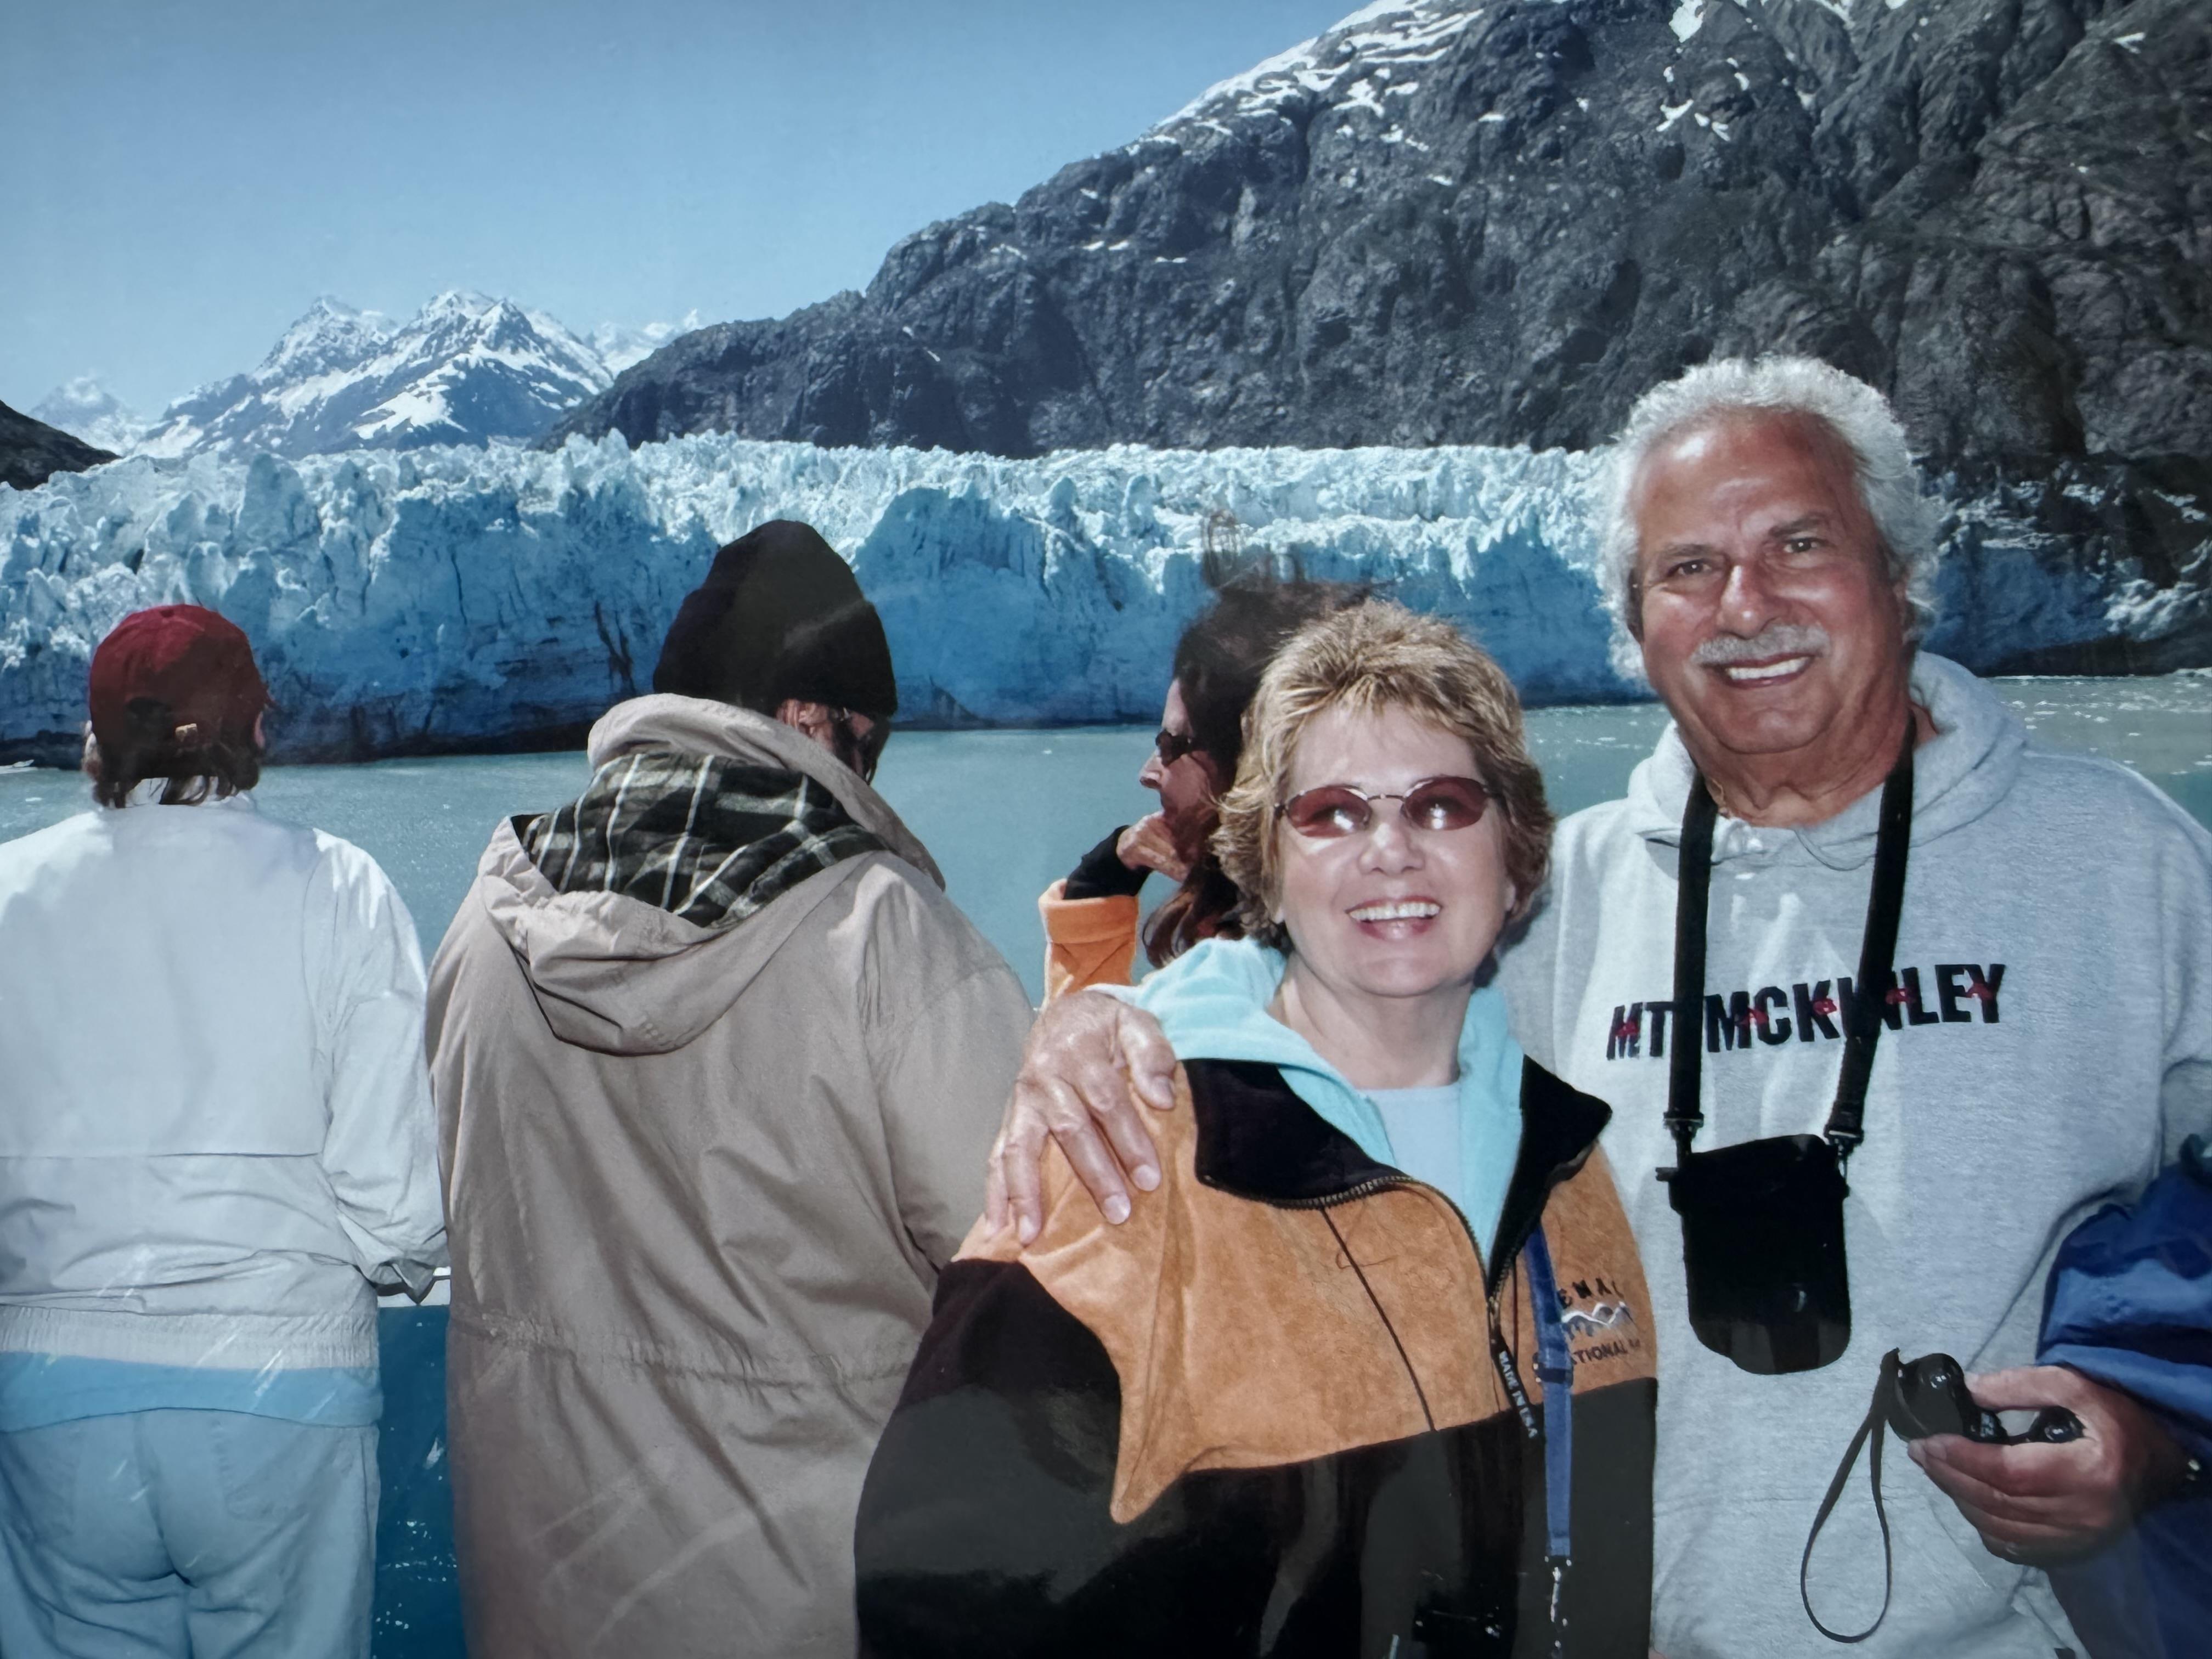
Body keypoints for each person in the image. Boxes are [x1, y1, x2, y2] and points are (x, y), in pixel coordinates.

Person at [988, 359, 2212, 1656]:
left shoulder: (2119, 860)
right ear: (1634, 625)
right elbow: (1331, 992)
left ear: (1900, 574)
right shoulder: (1558, 899)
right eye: (1688, 568)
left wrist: (2162, 1431)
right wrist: (1119, 1023)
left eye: (1800, 544)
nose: (1746, 605)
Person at [856, 600, 1657, 1658]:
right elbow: (938, 1604)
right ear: (1265, 868)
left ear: (1514, 858)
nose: (1391, 850)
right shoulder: (1126, 1164)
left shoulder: (1568, 1168)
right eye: (1332, 812)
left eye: (1442, 804)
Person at [428, 519, 1034, 1658]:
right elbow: (1040, 1276)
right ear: (807, 721)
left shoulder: (484, 921)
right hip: (804, 1600)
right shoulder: (884, 935)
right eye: (869, 744)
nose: (870, 776)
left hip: (540, 1594)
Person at [0, 604, 445, 1659]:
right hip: (280, 1391)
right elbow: (393, 1202)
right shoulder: (340, 886)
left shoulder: (9, 892)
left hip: (52, 1400)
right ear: (255, 726)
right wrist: (404, 1259)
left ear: (99, 738)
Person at [1040, 572, 1365, 1001]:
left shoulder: (1237, 990)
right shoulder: (1343, 950)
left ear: (1252, 766)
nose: (1148, 773)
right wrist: (1107, 874)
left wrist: (1102, 883)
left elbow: (1088, 1040)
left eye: (1173, 745)